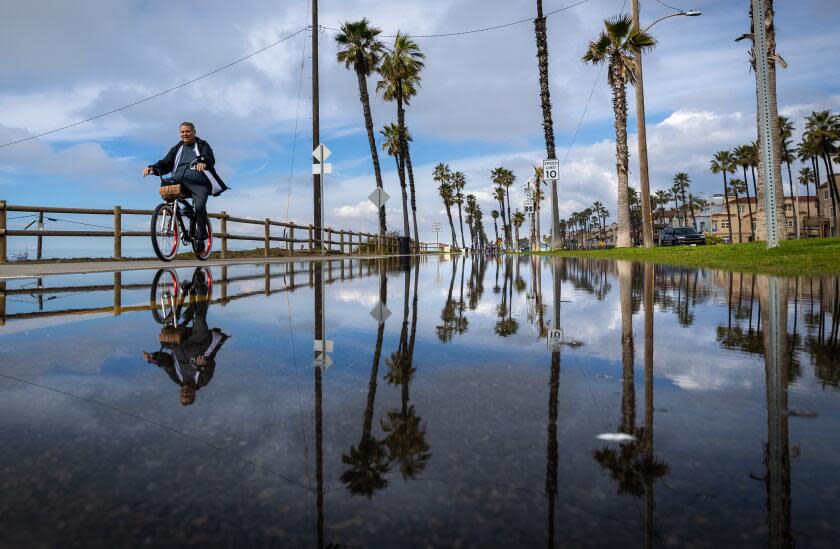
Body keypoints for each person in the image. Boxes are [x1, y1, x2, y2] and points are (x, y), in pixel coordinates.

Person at [143, 122, 228, 252]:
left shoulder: (202, 144)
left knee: (199, 207)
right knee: (165, 184)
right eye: (182, 132)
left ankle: (201, 238)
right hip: (179, 181)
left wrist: (203, 162)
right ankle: (175, 210)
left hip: (200, 183)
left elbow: (210, 158)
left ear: (194, 132)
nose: (185, 134)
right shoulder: (178, 148)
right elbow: (166, 163)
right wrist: (153, 168)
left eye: (188, 131)